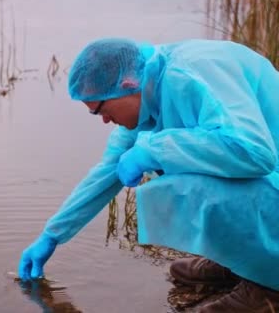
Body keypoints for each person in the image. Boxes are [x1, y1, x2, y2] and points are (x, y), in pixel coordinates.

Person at [17, 38, 279, 312]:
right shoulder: (149, 92)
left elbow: (256, 152)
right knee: (178, 169)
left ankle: (269, 287)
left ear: (127, 85)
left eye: (100, 110)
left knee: (182, 184)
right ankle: (239, 263)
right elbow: (106, 172)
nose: (104, 120)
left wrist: (154, 149)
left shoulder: (191, 73)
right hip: (270, 186)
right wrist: (52, 235)